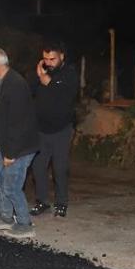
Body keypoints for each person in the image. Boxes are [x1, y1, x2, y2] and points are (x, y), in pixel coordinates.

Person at [0, 47, 40, 239]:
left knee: (11, 186)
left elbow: (18, 123)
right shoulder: (3, 82)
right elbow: (4, 117)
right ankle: (6, 218)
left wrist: (11, 154)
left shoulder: (15, 85)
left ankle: (25, 223)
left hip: (21, 147)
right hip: (9, 144)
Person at [29, 40, 79, 218]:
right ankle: (42, 201)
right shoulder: (40, 72)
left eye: (52, 59)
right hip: (41, 129)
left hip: (61, 129)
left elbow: (66, 94)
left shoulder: (69, 73)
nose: (48, 62)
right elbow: (29, 90)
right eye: (45, 58)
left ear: (62, 57)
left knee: (59, 168)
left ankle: (61, 203)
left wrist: (47, 81)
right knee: (38, 167)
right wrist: (38, 78)